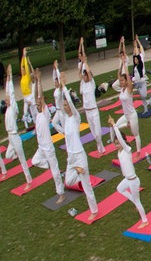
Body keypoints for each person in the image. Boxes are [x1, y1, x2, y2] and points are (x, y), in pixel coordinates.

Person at [53, 84, 99, 221]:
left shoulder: (76, 118)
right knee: (68, 180)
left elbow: (71, 107)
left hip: (79, 155)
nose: (65, 107)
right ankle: (81, 172)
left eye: (67, 105)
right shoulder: (66, 120)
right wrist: (60, 90)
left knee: (87, 186)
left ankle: (94, 210)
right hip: (71, 157)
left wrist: (65, 89)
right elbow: (59, 105)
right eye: (64, 106)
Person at [29, 68, 64, 200]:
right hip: (41, 147)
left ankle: (61, 194)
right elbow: (36, 97)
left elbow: (40, 96)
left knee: (55, 173)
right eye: (37, 104)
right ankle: (49, 165)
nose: (38, 105)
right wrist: (36, 81)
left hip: (48, 147)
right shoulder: (38, 115)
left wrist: (39, 81)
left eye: (39, 103)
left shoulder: (45, 113)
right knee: (34, 161)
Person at [108, 116, 148, 227]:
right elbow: (114, 139)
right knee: (119, 189)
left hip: (133, 180)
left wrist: (115, 125)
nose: (116, 145)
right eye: (115, 144)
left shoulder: (127, 150)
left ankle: (145, 221)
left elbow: (120, 139)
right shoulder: (119, 152)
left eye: (118, 143)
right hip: (127, 180)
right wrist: (111, 127)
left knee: (138, 202)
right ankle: (135, 202)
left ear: (124, 141)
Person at [3, 65, 32, 185]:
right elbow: (7, 92)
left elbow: (11, 93)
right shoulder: (7, 109)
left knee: (22, 160)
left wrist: (10, 77)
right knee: (8, 155)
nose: (6, 101)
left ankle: (29, 180)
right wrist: (8, 78)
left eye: (7, 100)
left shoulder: (14, 108)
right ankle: (14, 152)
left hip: (15, 136)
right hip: (10, 137)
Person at [77, 40, 106, 155]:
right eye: (83, 76)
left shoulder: (91, 83)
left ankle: (100, 144)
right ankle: (100, 146)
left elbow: (88, 71)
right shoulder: (82, 84)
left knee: (98, 132)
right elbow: (79, 74)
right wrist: (81, 65)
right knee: (93, 132)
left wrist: (85, 62)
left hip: (94, 110)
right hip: (87, 111)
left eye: (86, 76)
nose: (84, 77)